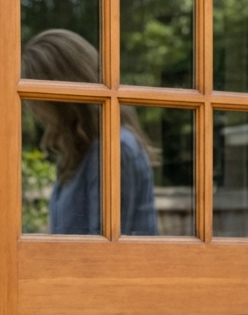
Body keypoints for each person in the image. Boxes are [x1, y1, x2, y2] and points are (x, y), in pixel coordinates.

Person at [21, 29, 158, 236]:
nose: (32, 110)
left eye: (35, 98)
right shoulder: (78, 152)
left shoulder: (113, 150)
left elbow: (103, 255)